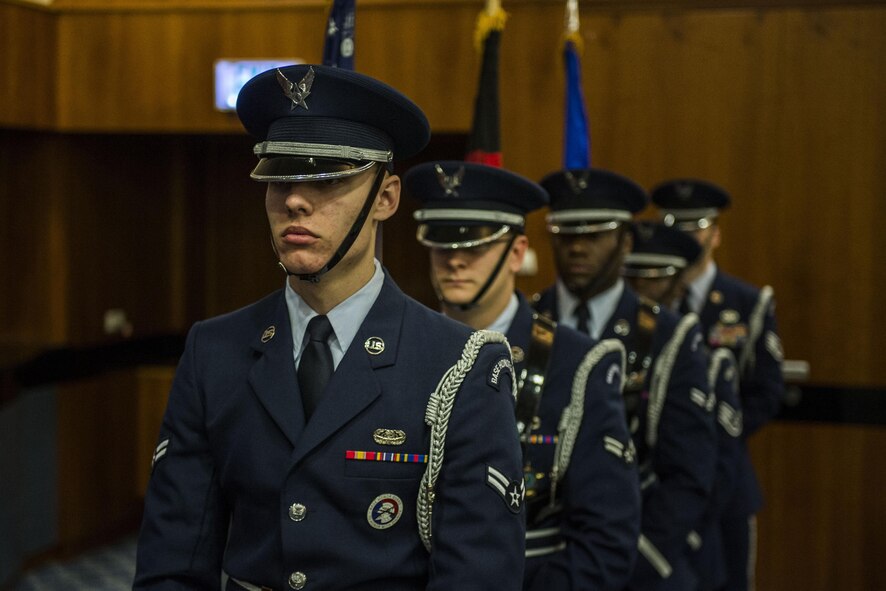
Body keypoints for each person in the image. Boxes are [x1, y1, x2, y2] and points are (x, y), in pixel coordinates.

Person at [134, 65, 526, 591]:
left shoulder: (460, 364)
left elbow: (477, 577)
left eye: (328, 178)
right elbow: (173, 561)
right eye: (280, 179)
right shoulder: (215, 350)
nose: (295, 199)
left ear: (385, 199)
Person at [403, 161, 641, 590]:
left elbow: (605, 539)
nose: (455, 261)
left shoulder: (577, 363)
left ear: (515, 253)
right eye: (441, 244)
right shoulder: (403, 348)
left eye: (475, 245)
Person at [533, 168, 717, 590]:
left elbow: (688, 471)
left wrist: (631, 563)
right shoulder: (528, 320)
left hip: (638, 559)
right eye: (564, 234)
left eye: (595, 234)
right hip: (541, 562)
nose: (577, 247)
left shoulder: (668, 336)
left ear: (626, 242)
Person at [651, 179, 785, 591]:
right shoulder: (651, 297)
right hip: (660, 482)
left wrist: (712, 439)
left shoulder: (746, 302)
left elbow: (766, 390)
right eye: (676, 227)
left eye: (697, 227)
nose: (688, 238)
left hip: (727, 482)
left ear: (716, 233)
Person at [624, 221, 744, 591]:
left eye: (655, 278)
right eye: (633, 277)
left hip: (683, 541)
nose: (642, 288)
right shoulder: (609, 358)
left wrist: (666, 542)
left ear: (678, 286)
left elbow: (714, 468)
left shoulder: (706, 363)